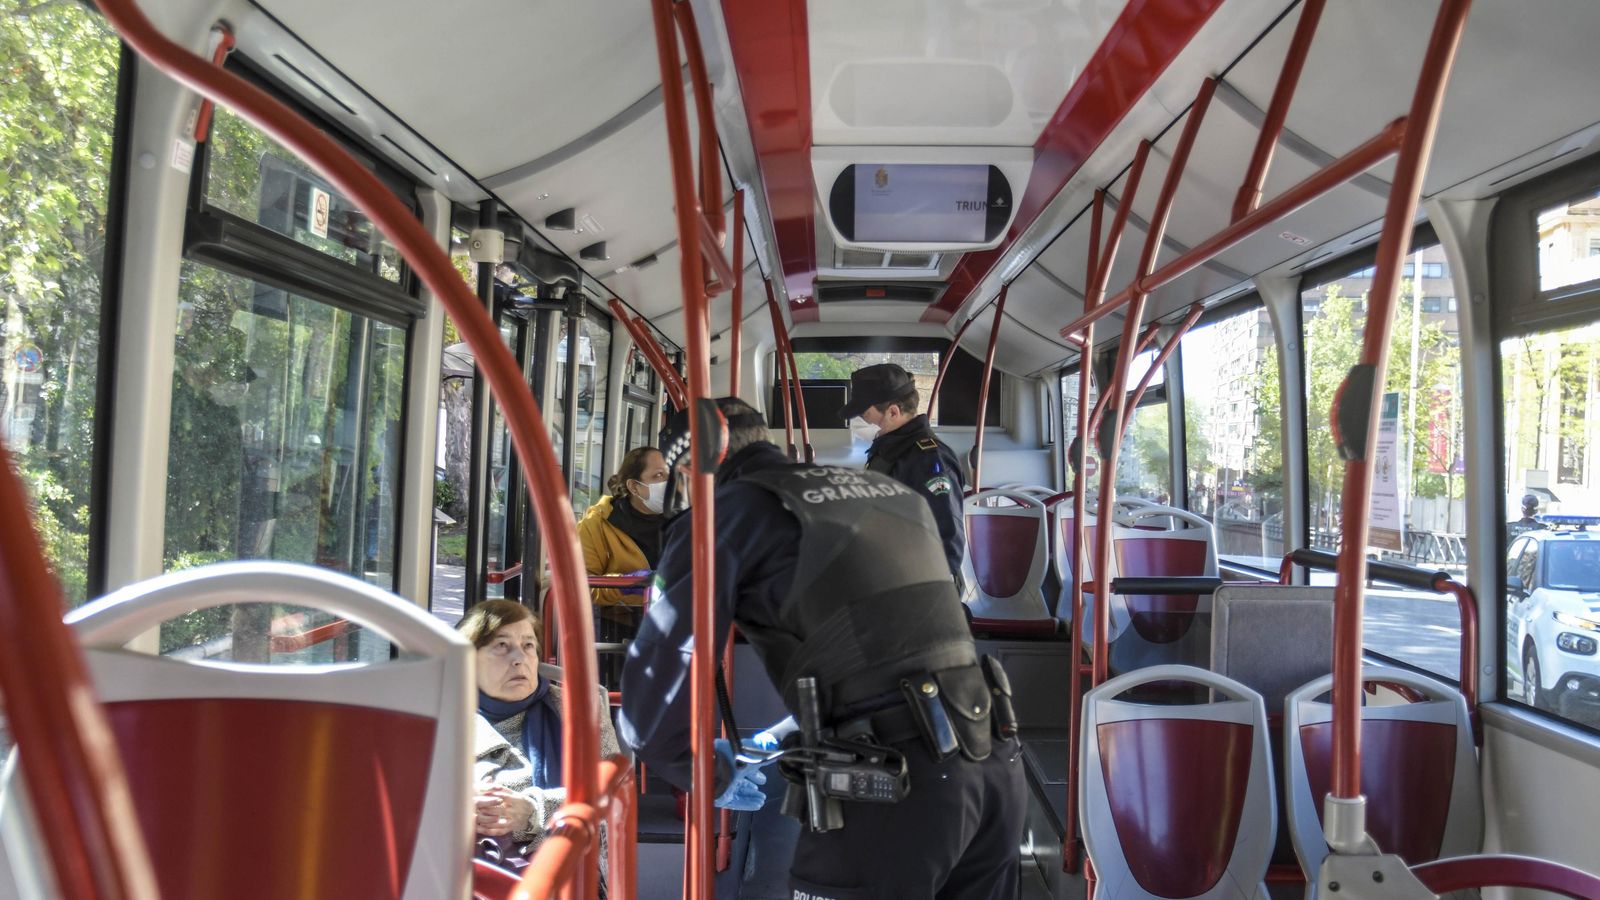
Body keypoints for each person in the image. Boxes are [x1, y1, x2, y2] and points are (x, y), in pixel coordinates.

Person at [620, 397, 1024, 900]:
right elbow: (892, 645)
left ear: (688, 468)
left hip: (890, 784)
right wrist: (788, 733)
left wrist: (698, 767)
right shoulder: (888, 491)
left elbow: (660, 671)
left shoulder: (727, 513)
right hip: (994, 758)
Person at [462, 600, 621, 872]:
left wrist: (532, 811)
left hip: (566, 870)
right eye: (501, 646)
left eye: (528, 646)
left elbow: (612, 801)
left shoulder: (579, 711)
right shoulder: (442, 715)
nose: (519, 659)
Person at [840, 363, 966, 582]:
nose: (862, 419)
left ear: (893, 412)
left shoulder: (929, 460)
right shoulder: (890, 448)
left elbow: (947, 540)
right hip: (886, 568)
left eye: (866, 412)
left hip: (916, 582)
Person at [577, 446, 668, 683]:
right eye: (658, 476)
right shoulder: (595, 525)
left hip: (677, 628)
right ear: (634, 487)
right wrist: (628, 584)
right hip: (620, 630)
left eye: (670, 474)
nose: (668, 482)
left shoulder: (687, 519)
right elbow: (580, 586)